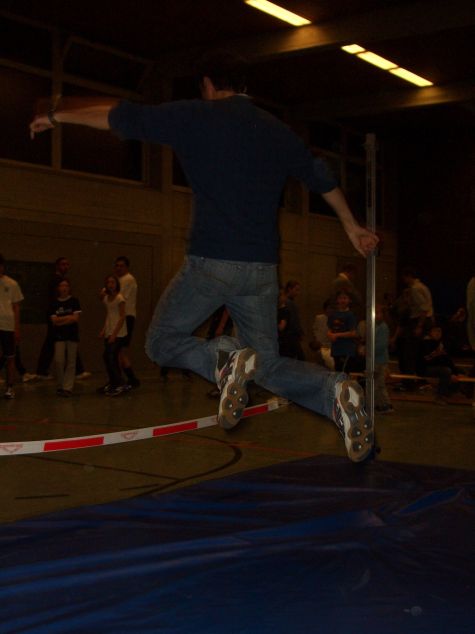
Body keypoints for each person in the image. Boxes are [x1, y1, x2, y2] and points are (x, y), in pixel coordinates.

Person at [29, 51, 379, 463]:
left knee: (161, 342)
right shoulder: (276, 129)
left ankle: (224, 358)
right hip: (262, 271)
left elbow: (119, 116)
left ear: (209, 84)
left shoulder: (195, 114)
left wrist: (56, 115)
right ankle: (333, 390)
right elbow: (321, 177)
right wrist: (352, 227)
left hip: (211, 263)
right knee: (265, 365)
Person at [36, 257, 90, 380]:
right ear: (57, 266)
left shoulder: (57, 280)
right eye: (63, 264)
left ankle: (43, 370)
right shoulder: (55, 280)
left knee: (55, 342)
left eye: (67, 264)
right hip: (55, 314)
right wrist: (61, 317)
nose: (65, 267)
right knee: (58, 342)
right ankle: (77, 370)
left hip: (58, 315)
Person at [50, 279, 81, 397]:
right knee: (59, 360)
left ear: (69, 288)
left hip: (72, 334)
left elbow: (75, 318)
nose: (64, 288)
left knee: (71, 361)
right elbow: (54, 321)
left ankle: (68, 388)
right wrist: (68, 317)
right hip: (59, 336)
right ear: (58, 288)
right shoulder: (54, 303)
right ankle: (61, 385)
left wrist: (61, 320)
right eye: (62, 285)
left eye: (66, 285)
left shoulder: (74, 301)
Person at [99, 275, 129, 396]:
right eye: (108, 282)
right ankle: (113, 382)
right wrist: (104, 330)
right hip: (109, 331)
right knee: (109, 357)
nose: (110, 284)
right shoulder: (107, 299)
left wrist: (114, 334)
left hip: (119, 333)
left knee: (110, 356)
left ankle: (120, 383)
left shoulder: (120, 298)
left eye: (113, 282)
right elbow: (109, 315)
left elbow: (122, 317)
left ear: (117, 284)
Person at [112, 256, 140, 388]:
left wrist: (107, 292)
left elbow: (121, 297)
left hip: (126, 317)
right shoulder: (118, 280)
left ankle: (120, 379)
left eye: (121, 266)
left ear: (127, 267)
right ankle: (130, 379)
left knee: (118, 350)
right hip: (120, 318)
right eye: (117, 265)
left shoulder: (128, 279)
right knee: (119, 351)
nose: (118, 268)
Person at [0, 254, 24, 399]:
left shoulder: (12, 283)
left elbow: (16, 307)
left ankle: (10, 387)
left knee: (10, 357)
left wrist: (17, 329)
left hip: (8, 326)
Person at [417, 324, 458, 405]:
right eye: (435, 331)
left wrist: (455, 373)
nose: (438, 333)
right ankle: (439, 396)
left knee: (459, 371)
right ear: (430, 332)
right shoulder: (424, 343)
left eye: (440, 331)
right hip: (424, 368)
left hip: (437, 368)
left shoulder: (440, 344)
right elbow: (426, 359)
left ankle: (448, 392)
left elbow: (447, 359)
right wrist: (437, 353)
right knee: (446, 371)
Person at [327, 291, 358, 373]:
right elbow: (329, 329)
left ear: (349, 300)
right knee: (337, 372)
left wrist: (337, 335)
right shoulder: (333, 315)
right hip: (336, 349)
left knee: (344, 373)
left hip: (346, 349)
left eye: (345, 298)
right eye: (340, 298)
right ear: (337, 300)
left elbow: (353, 333)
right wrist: (330, 335)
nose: (342, 300)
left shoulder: (350, 315)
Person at [279, 280, 306, 360]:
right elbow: (293, 320)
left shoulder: (289, 302)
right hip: (290, 335)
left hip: (289, 335)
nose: (298, 293)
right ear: (289, 289)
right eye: (296, 290)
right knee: (299, 358)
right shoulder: (288, 303)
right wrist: (299, 332)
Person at [311, 300, 335, 370]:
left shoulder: (336, 319)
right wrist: (316, 339)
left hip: (331, 346)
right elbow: (315, 329)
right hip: (320, 344)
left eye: (332, 308)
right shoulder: (319, 318)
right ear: (325, 309)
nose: (330, 310)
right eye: (329, 308)